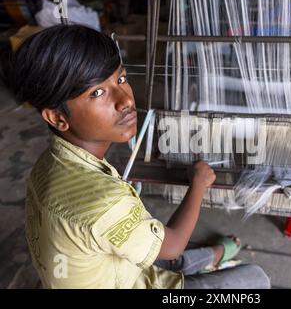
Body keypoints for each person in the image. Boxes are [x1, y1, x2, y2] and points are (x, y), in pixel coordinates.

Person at [9, 24, 271, 289]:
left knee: (145, 253)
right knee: (254, 279)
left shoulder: (49, 162)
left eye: (120, 79)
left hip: (104, 269)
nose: (125, 100)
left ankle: (211, 255)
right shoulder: (105, 203)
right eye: (97, 92)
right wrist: (198, 184)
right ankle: (210, 258)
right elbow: (173, 245)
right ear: (57, 117)